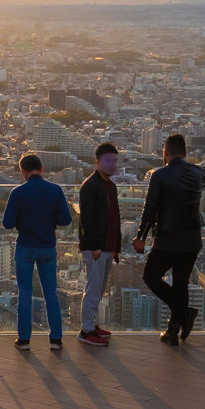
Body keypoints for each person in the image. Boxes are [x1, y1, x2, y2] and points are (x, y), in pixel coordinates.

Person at [133, 134, 205, 345]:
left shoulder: (160, 175)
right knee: (181, 283)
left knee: (151, 276)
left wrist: (141, 237)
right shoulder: (200, 172)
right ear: (185, 153)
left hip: (168, 238)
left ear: (165, 153)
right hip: (192, 237)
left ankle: (183, 316)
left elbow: (150, 209)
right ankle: (174, 330)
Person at [2, 153, 72, 351]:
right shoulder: (55, 190)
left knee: (25, 292)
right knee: (51, 292)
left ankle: (24, 340)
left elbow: (7, 223)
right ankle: (56, 339)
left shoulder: (18, 193)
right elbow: (66, 220)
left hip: (25, 245)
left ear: (23, 172)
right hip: (48, 246)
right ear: (42, 169)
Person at [76, 143, 124, 348]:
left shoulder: (110, 186)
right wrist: (94, 245)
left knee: (100, 289)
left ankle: (93, 325)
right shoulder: (90, 186)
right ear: (97, 162)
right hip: (95, 247)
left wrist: (116, 248)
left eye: (114, 160)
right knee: (93, 289)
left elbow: (115, 218)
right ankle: (86, 331)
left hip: (106, 246)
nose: (112, 165)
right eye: (108, 160)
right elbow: (87, 219)